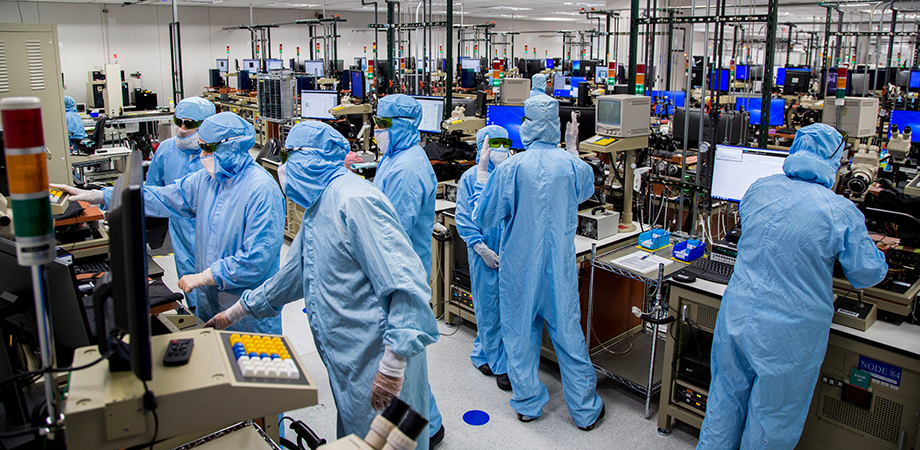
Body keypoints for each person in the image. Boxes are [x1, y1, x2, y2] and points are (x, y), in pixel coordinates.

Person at [203, 122, 439, 449]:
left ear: (313, 158)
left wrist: (392, 365)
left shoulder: (355, 201)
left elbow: (406, 285)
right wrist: (237, 311)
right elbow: (294, 275)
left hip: (377, 355)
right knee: (358, 438)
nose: (283, 166)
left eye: (289, 155)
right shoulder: (320, 204)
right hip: (349, 358)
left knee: (389, 443)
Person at [697, 123, 888, 450]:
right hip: (788, 334)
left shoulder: (758, 189)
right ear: (835, 162)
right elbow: (867, 274)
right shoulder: (840, 212)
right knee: (770, 421)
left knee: (724, 402)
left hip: (737, 317)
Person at [53, 112, 285, 334]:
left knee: (255, 368)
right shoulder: (208, 180)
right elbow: (165, 196)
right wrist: (100, 196)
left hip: (246, 308)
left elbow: (257, 259)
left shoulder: (261, 190)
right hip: (210, 299)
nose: (201, 154)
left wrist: (204, 277)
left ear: (230, 145)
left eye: (206, 148)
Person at [473, 94, 605, 430]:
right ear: (556, 127)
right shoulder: (572, 166)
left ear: (528, 125)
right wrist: (573, 150)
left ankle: (528, 405)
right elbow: (585, 189)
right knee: (569, 337)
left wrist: (483, 175)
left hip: (519, 270)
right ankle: (585, 409)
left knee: (519, 336)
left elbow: (486, 216)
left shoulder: (512, 169)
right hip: (559, 270)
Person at [372, 94, 444, 446]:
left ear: (403, 124)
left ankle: (421, 436)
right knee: (413, 369)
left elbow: (391, 232)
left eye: (383, 124)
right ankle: (433, 424)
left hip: (401, 275)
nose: (377, 130)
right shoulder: (394, 156)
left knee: (407, 368)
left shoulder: (408, 168)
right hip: (396, 271)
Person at [145, 97, 216, 311]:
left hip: (214, 231)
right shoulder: (166, 150)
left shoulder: (217, 154)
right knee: (190, 285)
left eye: (191, 123)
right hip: (181, 231)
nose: (183, 128)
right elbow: (153, 192)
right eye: (179, 121)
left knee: (216, 287)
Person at [454, 125, 511, 391]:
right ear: (482, 147)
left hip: (511, 251)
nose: (501, 149)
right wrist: (481, 248)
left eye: (504, 143)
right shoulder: (469, 178)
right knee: (489, 308)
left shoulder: (511, 175)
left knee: (509, 309)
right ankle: (499, 364)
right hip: (483, 253)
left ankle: (485, 352)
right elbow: (465, 218)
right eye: (494, 144)